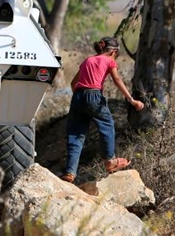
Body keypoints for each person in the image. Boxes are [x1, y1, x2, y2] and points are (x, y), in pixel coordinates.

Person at [62, 37, 145, 183]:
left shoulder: (88, 60)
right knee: (107, 125)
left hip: (78, 96)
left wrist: (80, 98)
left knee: (76, 134)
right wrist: (131, 99)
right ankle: (110, 160)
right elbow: (117, 80)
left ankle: (70, 172)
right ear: (113, 51)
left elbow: (73, 83)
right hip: (94, 95)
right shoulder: (109, 60)